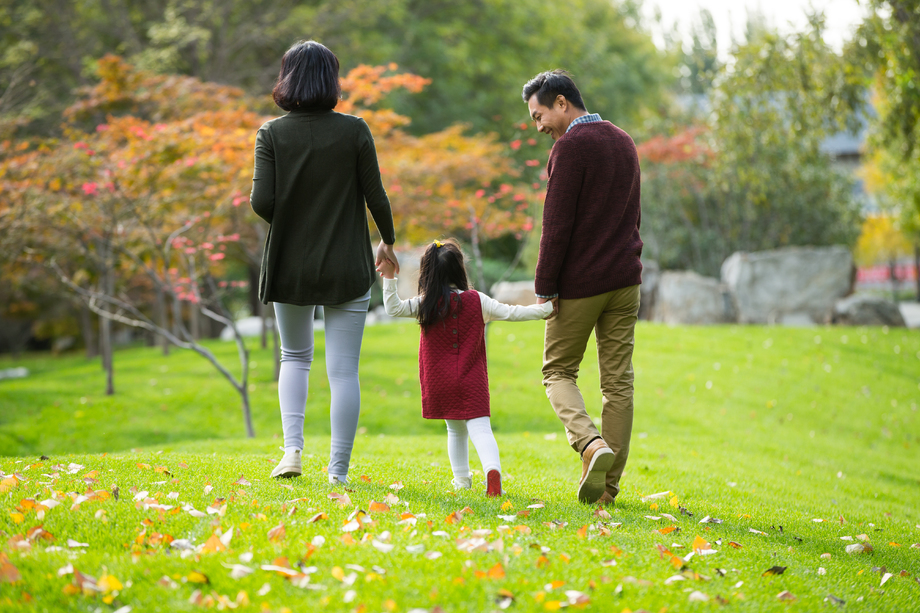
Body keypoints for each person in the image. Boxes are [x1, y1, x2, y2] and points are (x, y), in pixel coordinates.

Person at [250, 40, 399, 484]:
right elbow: (376, 196)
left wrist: (293, 219)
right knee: (343, 371)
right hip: (347, 264)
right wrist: (387, 241)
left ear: (287, 78)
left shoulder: (271, 134)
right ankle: (338, 471)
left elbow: (261, 201)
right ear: (331, 80)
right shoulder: (355, 130)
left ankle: (292, 453)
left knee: (294, 357)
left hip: (289, 264)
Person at [522, 70, 643, 505]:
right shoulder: (624, 141)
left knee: (557, 372)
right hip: (626, 281)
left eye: (539, 116)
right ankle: (607, 490)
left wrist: (545, 286)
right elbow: (633, 214)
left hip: (582, 284)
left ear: (561, 102)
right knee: (618, 384)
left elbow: (555, 226)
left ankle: (591, 445)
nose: (539, 127)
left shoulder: (570, 147)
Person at [376, 239, 554, 496]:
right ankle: (492, 470)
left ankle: (461, 480)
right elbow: (513, 312)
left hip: (440, 380)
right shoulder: (478, 300)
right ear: (460, 268)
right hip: (472, 379)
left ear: (427, 273)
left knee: (454, 429)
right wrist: (546, 309)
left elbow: (393, 308)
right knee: (480, 428)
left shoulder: (426, 304)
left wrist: (389, 277)